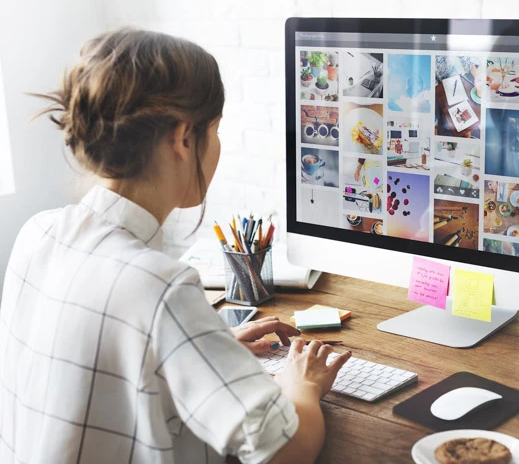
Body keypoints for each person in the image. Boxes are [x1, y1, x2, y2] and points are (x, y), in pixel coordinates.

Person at [0, 28, 351, 464]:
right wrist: (304, 385)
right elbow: (287, 452)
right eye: (216, 131)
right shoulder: (158, 286)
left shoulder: (39, 233)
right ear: (184, 138)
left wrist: (205, 347)